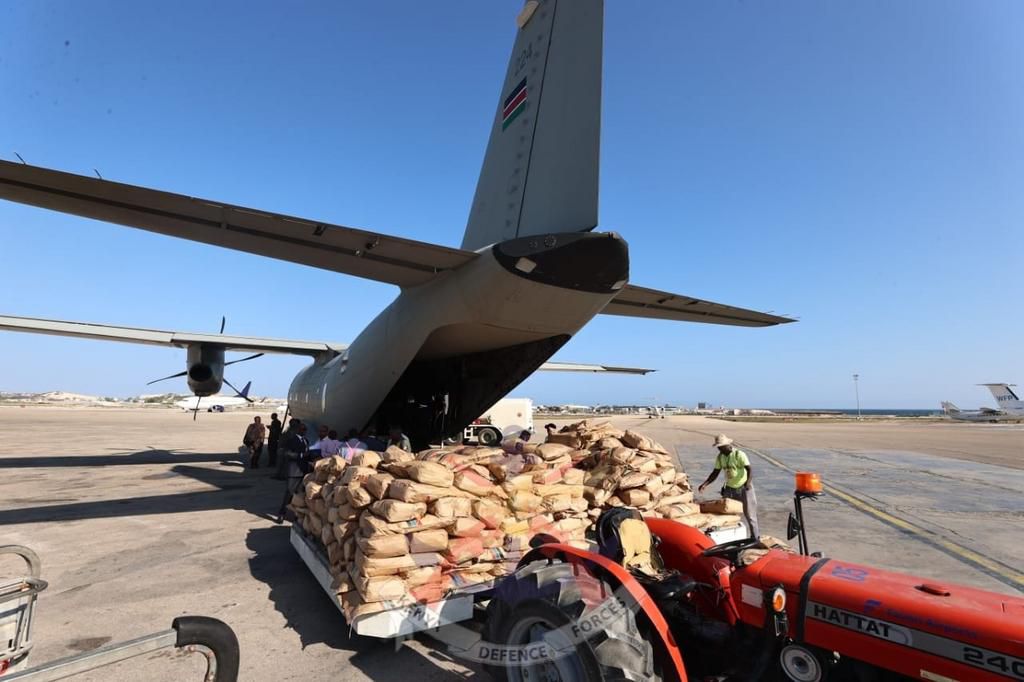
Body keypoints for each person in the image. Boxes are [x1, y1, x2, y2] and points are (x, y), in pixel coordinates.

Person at [698, 434, 759, 538]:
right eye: (718, 447)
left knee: (750, 515)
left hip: (744, 488)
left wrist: (747, 483)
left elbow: (750, 469)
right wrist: (705, 484)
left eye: (721, 447)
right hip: (729, 489)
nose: (719, 449)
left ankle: (755, 538)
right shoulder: (720, 457)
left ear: (727, 445)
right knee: (726, 514)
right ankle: (731, 537)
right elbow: (715, 472)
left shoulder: (739, 454)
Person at [276, 423, 309, 524]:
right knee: (289, 493)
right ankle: (281, 514)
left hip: (303, 471)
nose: (304, 431)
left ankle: (296, 516)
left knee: (300, 496)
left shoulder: (306, 440)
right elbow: (287, 453)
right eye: (303, 429)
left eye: (305, 429)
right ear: (298, 430)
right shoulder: (291, 440)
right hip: (294, 471)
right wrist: (301, 455)